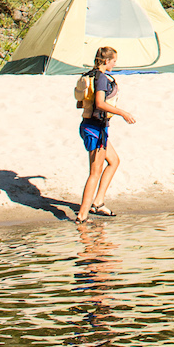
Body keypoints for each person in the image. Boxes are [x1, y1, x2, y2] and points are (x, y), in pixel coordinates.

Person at [75, 46, 137, 223]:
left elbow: (80, 104)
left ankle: (98, 202)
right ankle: (82, 215)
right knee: (95, 172)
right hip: (95, 129)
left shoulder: (89, 75)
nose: (115, 64)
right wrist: (123, 113)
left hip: (91, 126)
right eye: (114, 61)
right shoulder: (101, 79)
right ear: (107, 61)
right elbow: (100, 103)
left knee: (114, 161)